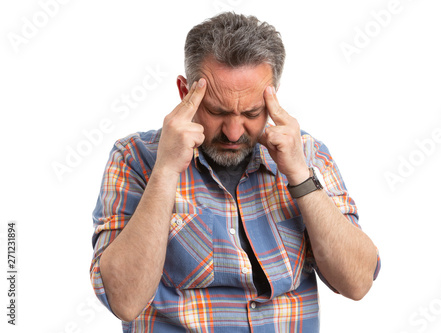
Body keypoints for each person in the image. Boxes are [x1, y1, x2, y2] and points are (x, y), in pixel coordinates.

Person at [90, 12, 380, 332]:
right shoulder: (135, 158)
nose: (232, 131)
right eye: (217, 111)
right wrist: (166, 171)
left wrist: (299, 174)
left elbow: (357, 282)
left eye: (252, 113)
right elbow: (124, 301)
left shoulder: (308, 155)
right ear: (184, 91)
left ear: (273, 98)